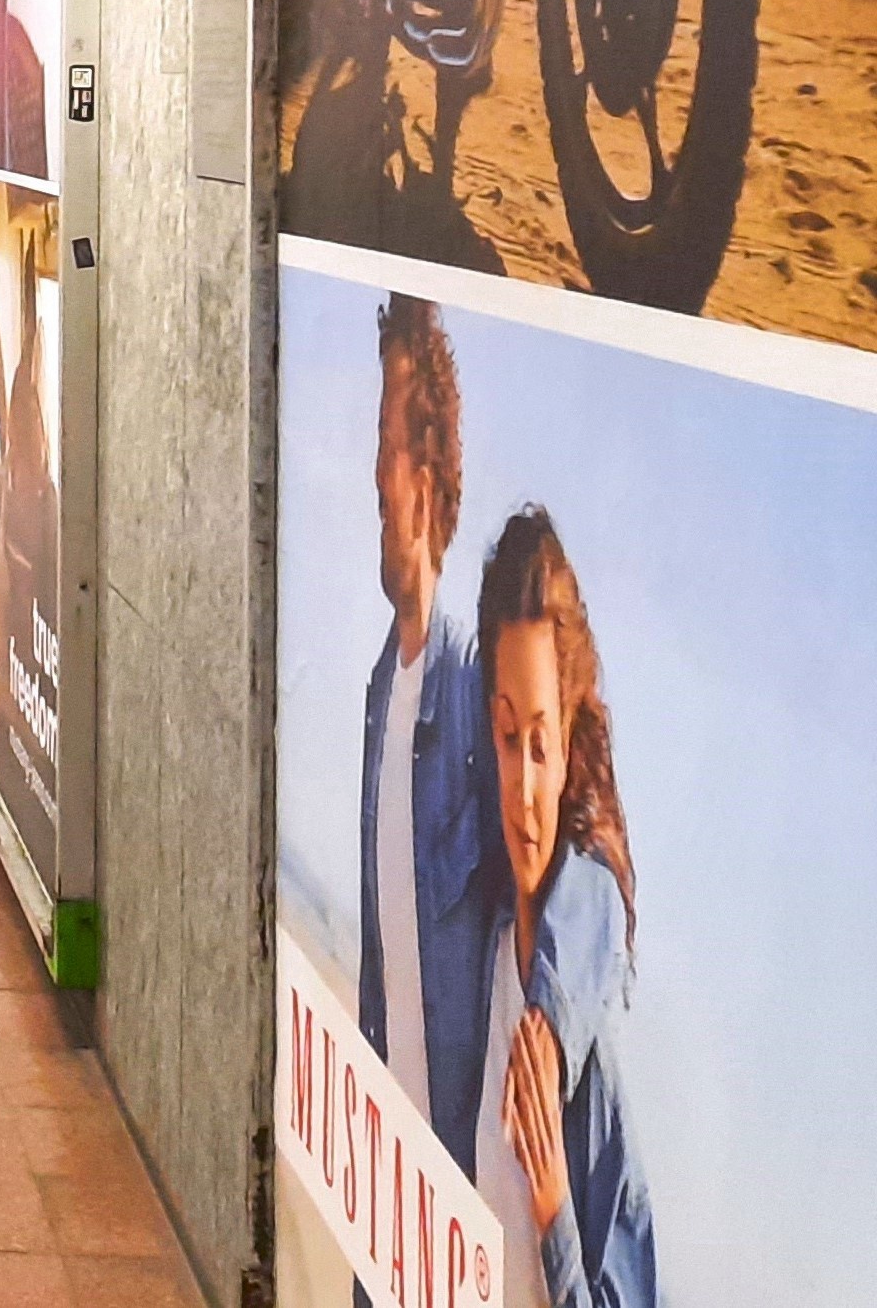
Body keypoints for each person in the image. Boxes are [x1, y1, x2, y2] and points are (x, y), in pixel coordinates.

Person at [472, 507, 655, 1308]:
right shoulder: (474, 944)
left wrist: (554, 1212)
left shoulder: (588, 1073)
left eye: (542, 746)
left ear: (571, 747)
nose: (522, 787)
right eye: (508, 737)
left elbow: (594, 897)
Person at [355, 295, 499, 1178]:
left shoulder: (477, 692)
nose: (376, 476)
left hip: (456, 1187)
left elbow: (564, 886)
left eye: (390, 443)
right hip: (392, 1183)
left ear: (431, 472)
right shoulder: (381, 693)